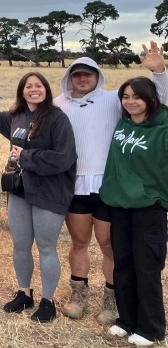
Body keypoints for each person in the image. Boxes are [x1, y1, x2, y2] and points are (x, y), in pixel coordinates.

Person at [53, 45, 168, 324]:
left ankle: (112, 297)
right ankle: (78, 293)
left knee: (109, 245)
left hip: (108, 186)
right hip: (75, 185)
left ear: (98, 76)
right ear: (69, 77)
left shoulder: (113, 101)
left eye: (88, 74)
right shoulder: (58, 104)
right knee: (79, 242)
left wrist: (159, 72)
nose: (82, 79)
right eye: (77, 75)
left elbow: (157, 102)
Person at [0, 72, 77, 323]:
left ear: (46, 90)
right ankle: (25, 293)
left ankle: (48, 301)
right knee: (21, 244)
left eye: (38, 85)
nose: (34, 89)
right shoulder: (17, 117)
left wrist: (26, 157)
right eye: (28, 86)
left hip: (49, 190)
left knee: (46, 247)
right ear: (22, 91)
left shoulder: (57, 118)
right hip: (20, 189)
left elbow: (63, 158)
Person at [101, 75, 168, 346]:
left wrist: (160, 72)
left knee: (147, 267)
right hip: (119, 205)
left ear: (151, 99)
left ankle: (151, 328)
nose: (130, 102)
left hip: (149, 208)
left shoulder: (163, 127)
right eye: (126, 97)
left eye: (137, 97)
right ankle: (126, 321)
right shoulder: (122, 124)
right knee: (123, 266)